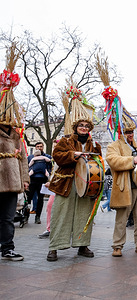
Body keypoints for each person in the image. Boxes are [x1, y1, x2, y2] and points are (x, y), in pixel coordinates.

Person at [47, 84, 101, 261]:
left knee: (83, 216)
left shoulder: (95, 145)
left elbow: (99, 163)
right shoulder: (66, 140)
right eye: (81, 125)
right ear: (76, 126)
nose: (84, 128)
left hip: (87, 185)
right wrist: (73, 155)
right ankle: (54, 247)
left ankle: (82, 245)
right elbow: (57, 156)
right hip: (66, 183)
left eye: (86, 126)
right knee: (61, 215)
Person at [106, 119, 137, 257]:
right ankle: (117, 246)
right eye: (127, 132)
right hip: (125, 187)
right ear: (120, 133)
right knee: (122, 218)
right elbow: (113, 160)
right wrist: (132, 160)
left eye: (131, 132)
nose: (130, 134)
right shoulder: (114, 146)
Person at [0, 44, 29, 261]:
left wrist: (25, 180)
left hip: (13, 182)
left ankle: (7, 247)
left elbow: (23, 159)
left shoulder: (17, 135)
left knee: (8, 218)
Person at [26, 142, 52, 224]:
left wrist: (48, 176)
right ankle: (25, 216)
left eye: (41, 146)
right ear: (35, 147)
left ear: (43, 147)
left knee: (40, 199)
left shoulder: (47, 157)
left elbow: (50, 167)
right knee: (28, 198)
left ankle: (38, 217)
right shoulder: (30, 157)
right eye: (37, 146)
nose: (39, 148)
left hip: (42, 180)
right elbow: (27, 166)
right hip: (32, 180)